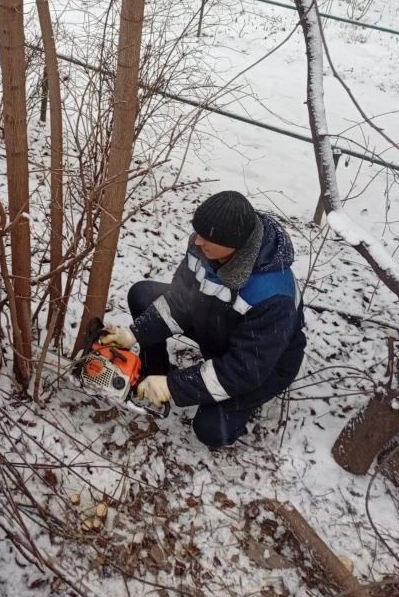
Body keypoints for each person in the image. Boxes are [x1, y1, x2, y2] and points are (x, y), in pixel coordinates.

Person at [101, 190, 306, 449]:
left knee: (211, 430)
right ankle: (154, 372)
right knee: (143, 295)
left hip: (263, 364)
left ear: (234, 244)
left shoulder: (273, 294)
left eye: (206, 237)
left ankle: (241, 405)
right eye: (197, 232)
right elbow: (178, 301)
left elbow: (243, 369)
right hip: (218, 325)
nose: (197, 241)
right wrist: (134, 334)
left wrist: (175, 388)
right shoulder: (203, 248)